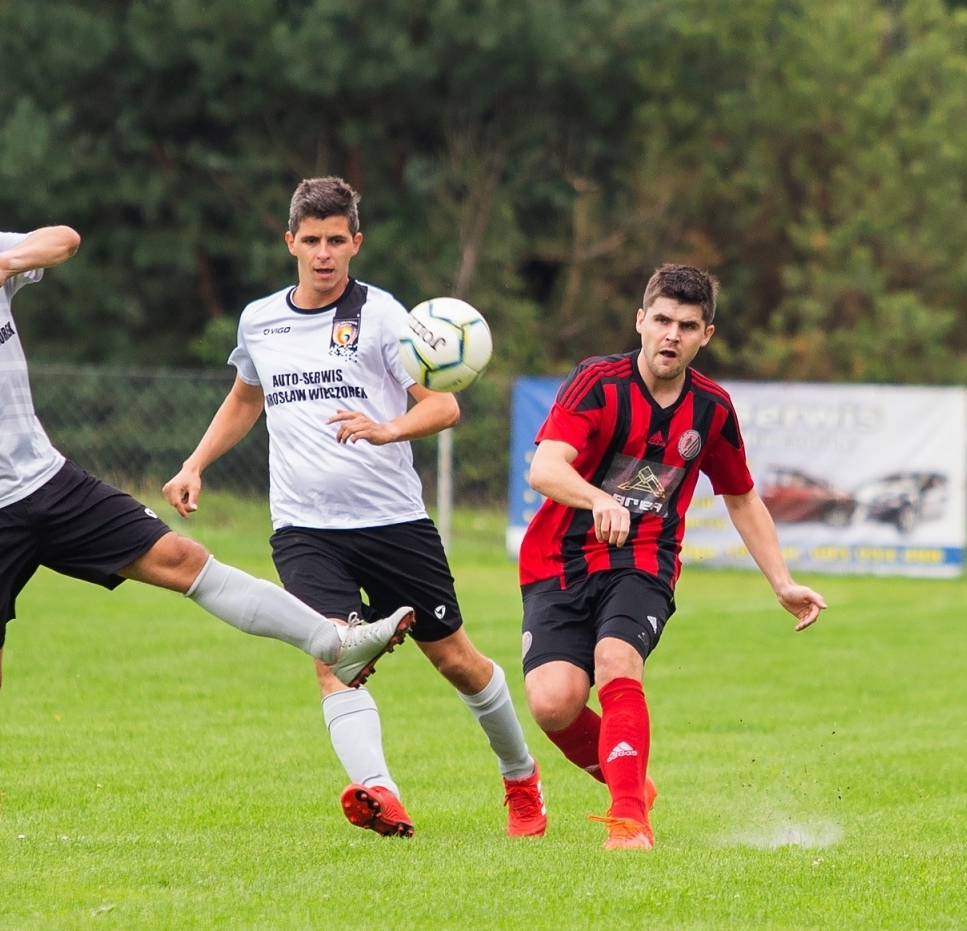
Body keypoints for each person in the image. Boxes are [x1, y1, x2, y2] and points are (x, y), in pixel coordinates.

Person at [0, 159, 413, 845]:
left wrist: (4, 262)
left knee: (183, 559)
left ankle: (334, 642)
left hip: (45, 481)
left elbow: (65, 239)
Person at [163, 177, 546, 839]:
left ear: (356, 243)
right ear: (290, 241)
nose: (323, 253)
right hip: (304, 528)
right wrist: (195, 463)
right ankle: (380, 793)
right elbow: (246, 399)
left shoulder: (387, 317)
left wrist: (388, 429)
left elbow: (444, 405)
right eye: (311, 240)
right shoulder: (260, 321)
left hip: (392, 522)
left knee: (457, 661)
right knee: (333, 656)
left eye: (336, 240)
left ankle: (521, 778)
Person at [520, 264, 827, 849]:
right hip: (558, 560)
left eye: (687, 326)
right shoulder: (597, 383)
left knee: (616, 658)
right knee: (554, 704)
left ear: (705, 335)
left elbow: (742, 496)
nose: (671, 335)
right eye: (662, 320)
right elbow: (545, 467)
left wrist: (782, 582)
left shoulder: (712, 408)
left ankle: (629, 819)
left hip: (644, 560)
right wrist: (597, 498)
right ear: (640, 321)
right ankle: (632, 778)